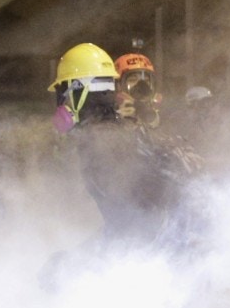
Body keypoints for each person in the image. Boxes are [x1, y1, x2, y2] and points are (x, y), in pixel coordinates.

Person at [51, 42, 199, 250]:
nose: (63, 106)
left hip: (152, 246)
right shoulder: (105, 135)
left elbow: (135, 218)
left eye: (64, 97)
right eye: (132, 82)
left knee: (57, 273)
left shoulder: (104, 140)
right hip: (151, 240)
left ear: (78, 92)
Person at [115, 51, 162, 128]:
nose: (142, 86)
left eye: (146, 80)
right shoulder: (106, 116)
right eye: (133, 80)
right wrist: (119, 122)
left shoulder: (170, 115)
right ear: (118, 86)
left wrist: (155, 120)